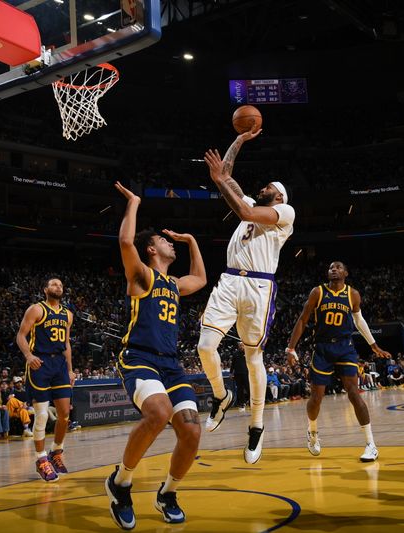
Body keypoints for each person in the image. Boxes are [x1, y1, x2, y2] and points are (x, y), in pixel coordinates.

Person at [105, 182, 206, 529]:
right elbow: (124, 242)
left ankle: (168, 493)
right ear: (152, 249)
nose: (169, 242)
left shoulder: (175, 284)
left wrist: (191, 241)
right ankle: (121, 483)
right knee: (159, 413)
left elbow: (201, 278)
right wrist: (133, 203)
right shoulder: (143, 276)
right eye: (164, 240)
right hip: (139, 357)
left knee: (192, 430)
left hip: (170, 364)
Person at [199, 134, 296, 464]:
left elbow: (240, 209)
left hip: (258, 287)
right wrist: (239, 139)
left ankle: (256, 425)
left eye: (269, 185)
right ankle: (220, 395)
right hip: (229, 279)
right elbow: (226, 175)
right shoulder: (256, 205)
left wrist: (220, 181)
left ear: (279, 195)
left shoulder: (284, 212)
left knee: (254, 357)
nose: (263, 187)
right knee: (204, 345)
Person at [286, 261, 389, 461]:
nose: (334, 269)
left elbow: (359, 321)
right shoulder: (318, 292)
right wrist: (291, 348)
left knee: (354, 393)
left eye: (338, 267)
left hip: (345, 347)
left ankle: (370, 444)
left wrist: (374, 346)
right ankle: (313, 431)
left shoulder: (353, 294)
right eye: (331, 267)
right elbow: (303, 319)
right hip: (323, 348)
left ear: (346, 273)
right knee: (316, 398)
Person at [16, 276, 75, 482]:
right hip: (39, 364)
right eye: (53, 284)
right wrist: (29, 356)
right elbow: (21, 335)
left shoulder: (68, 314)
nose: (57, 286)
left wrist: (70, 369)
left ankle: (56, 452)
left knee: (65, 414)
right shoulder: (36, 309)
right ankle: (41, 460)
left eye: (60, 284)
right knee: (41, 415)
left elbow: (67, 343)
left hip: (59, 364)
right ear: (45, 289)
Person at [231, 343, 249, 411]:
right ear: (238, 346)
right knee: (239, 389)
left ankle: (251, 401)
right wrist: (231, 372)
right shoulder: (235, 353)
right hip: (237, 374)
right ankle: (242, 403)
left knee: (248, 388)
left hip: (246, 373)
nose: (241, 346)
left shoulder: (247, 352)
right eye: (240, 345)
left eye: (242, 345)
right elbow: (233, 364)